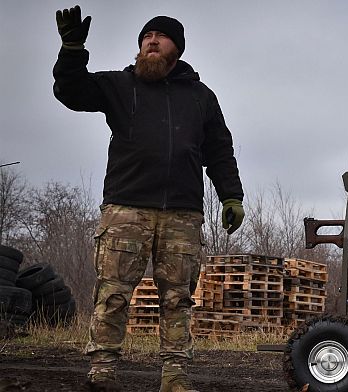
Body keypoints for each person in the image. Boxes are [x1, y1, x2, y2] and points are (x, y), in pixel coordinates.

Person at [53, 5, 245, 392]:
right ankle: (103, 371)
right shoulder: (120, 86)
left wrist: (231, 196)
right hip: (126, 208)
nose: (150, 42)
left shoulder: (201, 97)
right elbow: (70, 91)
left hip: (182, 214)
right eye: (145, 38)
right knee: (113, 293)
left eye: (159, 37)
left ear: (177, 48)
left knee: (178, 298)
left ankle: (174, 376)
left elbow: (220, 150)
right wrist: (72, 49)